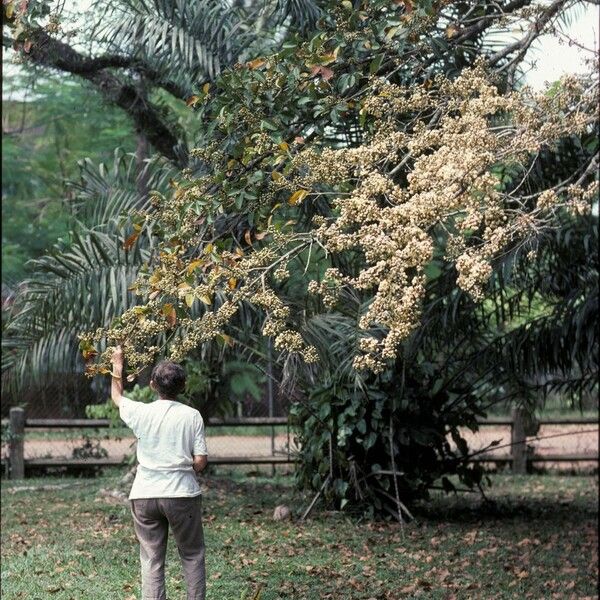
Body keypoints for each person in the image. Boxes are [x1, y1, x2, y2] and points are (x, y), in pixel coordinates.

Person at [110, 345, 208, 600]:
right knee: (192, 554)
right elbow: (200, 462)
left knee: (151, 559)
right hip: (182, 494)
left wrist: (117, 365)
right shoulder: (192, 416)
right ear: (183, 386)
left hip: (144, 494)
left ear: (153, 385)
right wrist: (188, 464)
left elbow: (117, 397)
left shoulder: (141, 412)